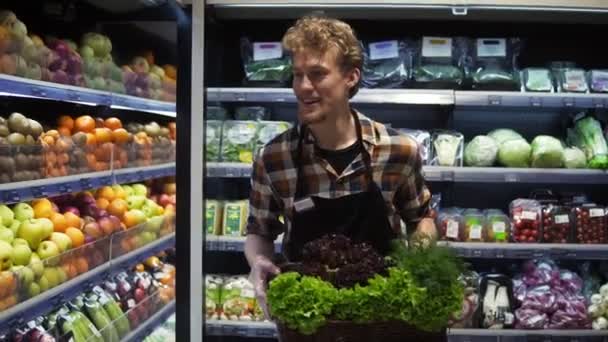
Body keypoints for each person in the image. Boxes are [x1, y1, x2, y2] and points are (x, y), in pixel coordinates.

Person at [244, 15, 436, 318]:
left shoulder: (398, 150)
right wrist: (258, 262)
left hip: (383, 315)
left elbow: (420, 218)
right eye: (297, 74)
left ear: (351, 77)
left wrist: (422, 264)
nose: (304, 87)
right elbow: (260, 231)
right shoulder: (273, 157)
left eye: (318, 74)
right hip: (308, 318)